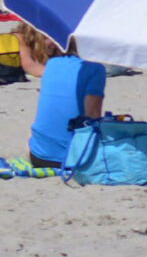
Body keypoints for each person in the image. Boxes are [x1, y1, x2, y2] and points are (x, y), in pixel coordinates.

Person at [27, 36, 106, 167]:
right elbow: (92, 115)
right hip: (75, 159)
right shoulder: (96, 69)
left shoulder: (51, 64)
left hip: (38, 156)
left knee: (34, 130)